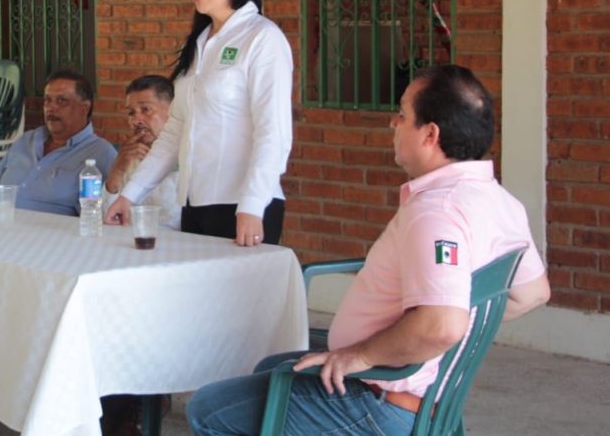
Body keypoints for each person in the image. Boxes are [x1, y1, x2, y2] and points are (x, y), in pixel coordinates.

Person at [186, 65, 551, 435]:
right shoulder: (498, 200)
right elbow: (533, 293)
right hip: (417, 396)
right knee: (272, 365)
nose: (393, 123)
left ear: (430, 134)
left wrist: (362, 355)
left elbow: (442, 324)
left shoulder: (437, 212)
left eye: (403, 115)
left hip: (379, 402)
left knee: (208, 408)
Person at [106, 0, 293, 247]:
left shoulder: (262, 38)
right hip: (194, 205)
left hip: (243, 206)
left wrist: (252, 205)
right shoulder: (198, 44)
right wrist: (130, 194)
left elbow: (273, 131)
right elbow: (175, 131)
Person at [0, 69, 117, 216]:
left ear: (84, 108)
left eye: (62, 101)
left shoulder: (101, 153)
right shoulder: (26, 140)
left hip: (51, 233)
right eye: (47, 100)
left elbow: (103, 213)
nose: (51, 107)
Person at [102, 74, 180, 229]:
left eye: (146, 109)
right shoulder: (130, 156)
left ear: (174, 111)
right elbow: (107, 220)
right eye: (131, 113)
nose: (136, 120)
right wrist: (117, 171)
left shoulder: (189, 158)